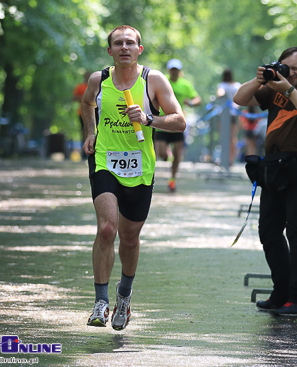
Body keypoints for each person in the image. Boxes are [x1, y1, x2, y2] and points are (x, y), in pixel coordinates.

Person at [81, 25, 186, 330]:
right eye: (118, 43)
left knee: (129, 238)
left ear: (139, 49)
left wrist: (149, 118)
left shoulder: (152, 80)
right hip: (104, 161)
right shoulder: (98, 80)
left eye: (130, 43)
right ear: (110, 51)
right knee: (107, 228)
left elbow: (180, 121)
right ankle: (100, 301)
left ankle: (123, 297)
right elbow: (87, 103)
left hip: (141, 167)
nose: (124, 47)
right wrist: (91, 130)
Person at [234, 47, 297, 317]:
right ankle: (281, 292)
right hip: (276, 171)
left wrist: (289, 89)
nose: (291, 73)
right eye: (286, 67)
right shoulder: (275, 88)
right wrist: (259, 79)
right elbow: (239, 99)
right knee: (268, 231)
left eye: (296, 68)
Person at [154, 59, 201, 192]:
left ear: (179, 71)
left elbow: (197, 99)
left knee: (178, 154)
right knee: (162, 153)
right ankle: (167, 156)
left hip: (177, 123)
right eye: (172, 69)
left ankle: (172, 180)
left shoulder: (185, 85)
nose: (174, 71)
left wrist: (190, 103)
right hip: (161, 122)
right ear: (169, 70)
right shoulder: (162, 81)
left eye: (176, 69)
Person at [216, 68, 241, 165]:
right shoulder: (236, 85)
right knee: (230, 137)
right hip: (229, 114)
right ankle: (228, 159)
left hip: (228, 114)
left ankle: (229, 159)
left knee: (228, 137)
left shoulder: (223, 85)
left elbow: (219, 93)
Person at [73, 71, 92, 156]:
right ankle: (84, 152)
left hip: (94, 113)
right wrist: (85, 97)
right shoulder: (80, 87)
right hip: (82, 113)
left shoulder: (94, 86)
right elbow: (74, 98)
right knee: (84, 131)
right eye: (86, 76)